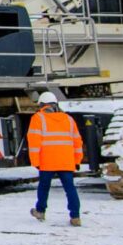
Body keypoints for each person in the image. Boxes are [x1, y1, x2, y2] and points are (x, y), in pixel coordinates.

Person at [28, 91, 83, 227]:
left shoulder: (38, 118)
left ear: (41, 104)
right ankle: (75, 217)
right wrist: (77, 160)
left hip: (47, 161)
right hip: (66, 161)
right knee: (70, 189)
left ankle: (40, 211)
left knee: (44, 187)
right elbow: (77, 142)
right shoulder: (69, 119)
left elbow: (34, 141)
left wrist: (36, 162)